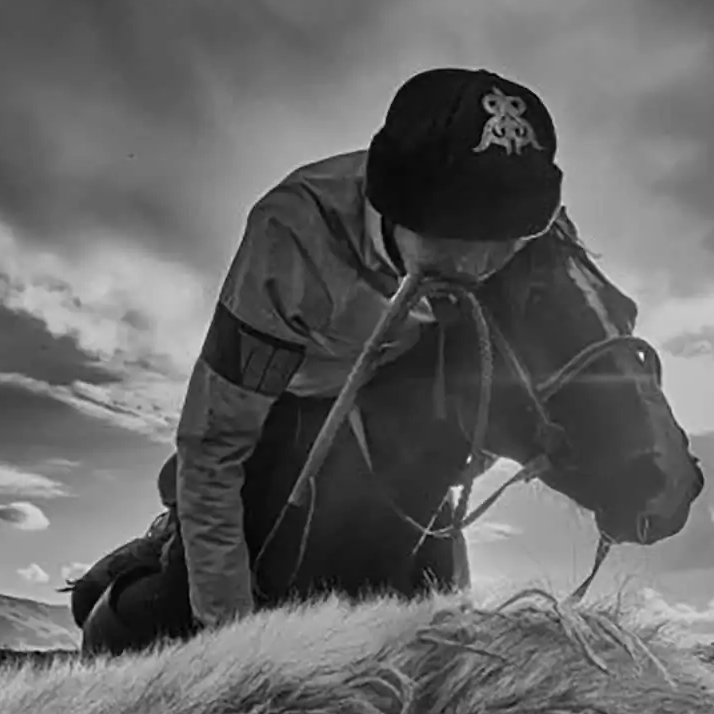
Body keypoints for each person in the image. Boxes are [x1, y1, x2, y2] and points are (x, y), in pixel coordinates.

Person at [74, 66, 571, 649]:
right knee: (167, 617)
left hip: (396, 394)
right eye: (456, 239)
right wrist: (237, 648)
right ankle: (150, 558)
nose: (478, 266)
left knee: (433, 603)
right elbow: (215, 443)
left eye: (505, 242)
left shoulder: (513, 246)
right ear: (395, 206)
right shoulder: (292, 236)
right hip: (288, 403)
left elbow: (496, 390)